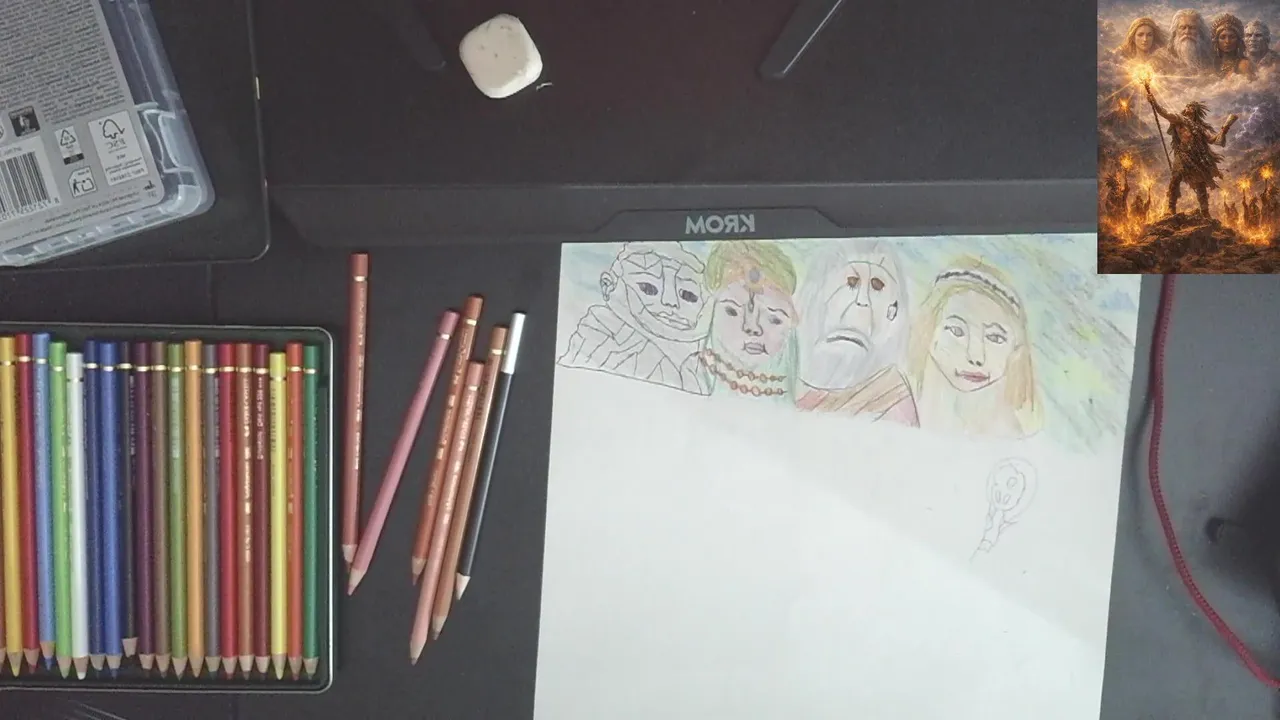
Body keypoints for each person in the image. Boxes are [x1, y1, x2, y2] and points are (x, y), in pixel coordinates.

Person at [907, 259, 1040, 439]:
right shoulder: (900, 417)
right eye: (957, 331)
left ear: (1015, 348)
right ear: (929, 331)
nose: (976, 357)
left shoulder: (1011, 439)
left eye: (995, 337)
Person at [792, 240, 918, 426]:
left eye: (877, 286)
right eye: (851, 282)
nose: (862, 301)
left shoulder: (892, 397)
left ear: (893, 310)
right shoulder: (788, 380)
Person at [558, 241, 711, 394]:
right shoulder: (599, 334)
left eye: (688, 295)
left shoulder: (702, 359)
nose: (670, 302)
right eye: (648, 288)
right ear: (609, 286)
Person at [699, 241, 799, 401]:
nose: (752, 328)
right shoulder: (694, 380)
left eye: (774, 319)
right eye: (732, 311)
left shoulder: (799, 395)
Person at [1145, 84, 1238, 217]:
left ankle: (1205, 212)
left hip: (1197, 157)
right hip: (1182, 154)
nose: (1188, 108)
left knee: (1200, 183)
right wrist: (1154, 102)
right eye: (1188, 106)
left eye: (1191, 107)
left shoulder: (1200, 128)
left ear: (1195, 111)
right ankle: (1171, 207)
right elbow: (1164, 113)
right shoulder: (1179, 119)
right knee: (1176, 178)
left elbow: (1213, 140)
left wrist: (1224, 130)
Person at [1157, 9, 1214, 76]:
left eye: (1192, 28)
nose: (1187, 32)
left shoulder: (1209, 57)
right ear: (1176, 31)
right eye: (1183, 27)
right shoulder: (1163, 56)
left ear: (1199, 31)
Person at [1210, 14, 1255, 79]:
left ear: (1238, 40)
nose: (1227, 41)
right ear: (1217, 40)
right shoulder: (1211, 63)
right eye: (1223, 37)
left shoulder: (1244, 65)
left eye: (1232, 37)